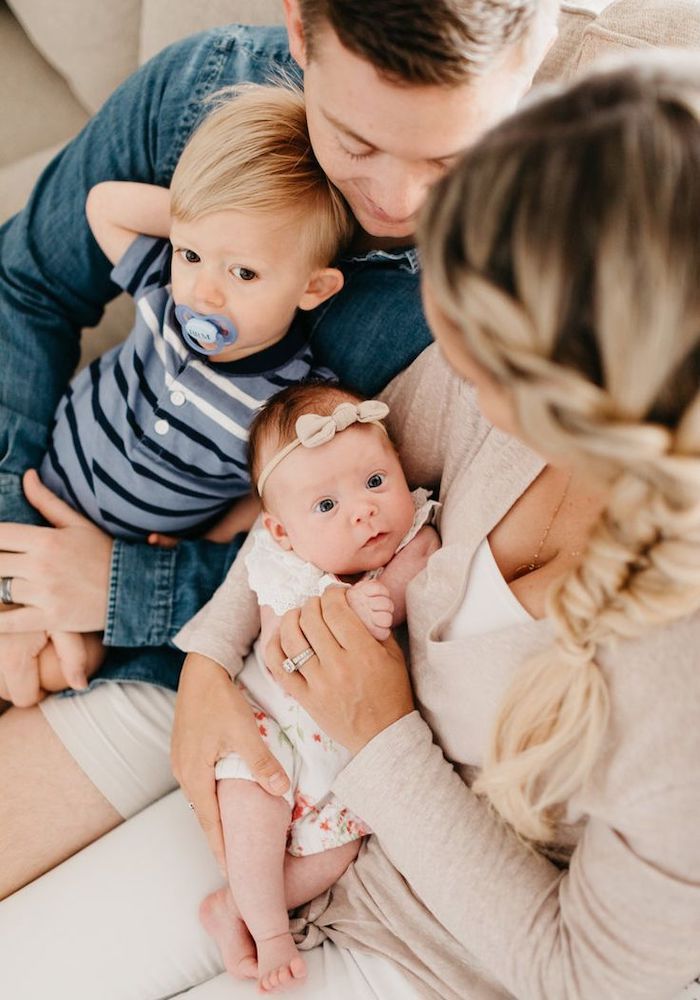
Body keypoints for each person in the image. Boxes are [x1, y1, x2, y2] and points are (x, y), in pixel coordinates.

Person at [0, 0, 557, 899]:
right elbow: (22, 285)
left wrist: (116, 591)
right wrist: (18, 565)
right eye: (358, 141)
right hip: (48, 499)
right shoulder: (201, 98)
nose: (399, 200)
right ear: (302, 30)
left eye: (451, 157)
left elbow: (401, 578)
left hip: (216, 645)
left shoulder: (531, 286)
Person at [30, 83, 350, 691]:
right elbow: (104, 204)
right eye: (193, 255)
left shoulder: (289, 401)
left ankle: (61, 637)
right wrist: (203, 220)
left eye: (245, 272)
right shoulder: (163, 288)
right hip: (42, 483)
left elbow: (265, 498)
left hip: (115, 548)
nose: (205, 293)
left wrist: (197, 544)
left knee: (67, 664)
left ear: (313, 289)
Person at [177, 382, 439, 991]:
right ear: (283, 531)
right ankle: (270, 932)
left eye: (376, 482)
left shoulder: (414, 536)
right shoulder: (281, 562)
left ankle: (235, 906)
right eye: (326, 506)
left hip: (347, 752)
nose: (362, 511)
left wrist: (379, 601)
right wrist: (336, 607)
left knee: (337, 851)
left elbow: (409, 580)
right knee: (256, 799)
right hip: (270, 721)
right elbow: (276, 650)